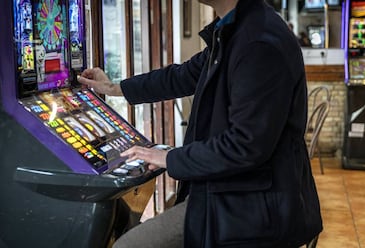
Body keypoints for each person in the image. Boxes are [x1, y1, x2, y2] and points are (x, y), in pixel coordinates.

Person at [78, 0, 323, 247]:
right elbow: (181, 76)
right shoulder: (236, 27)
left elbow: (245, 146)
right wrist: (113, 88)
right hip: (234, 194)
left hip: (251, 207)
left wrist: (170, 158)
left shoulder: (257, 42)